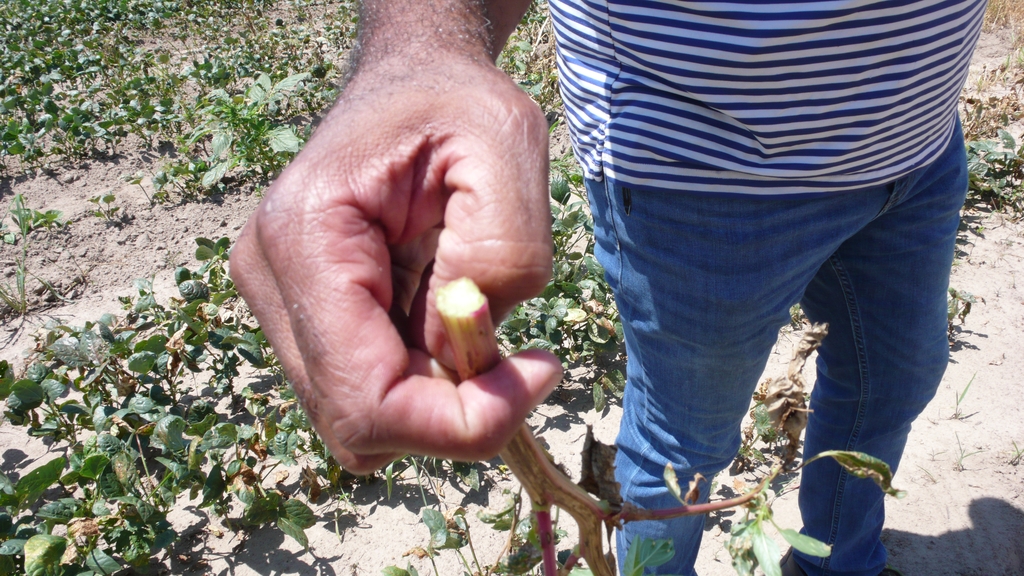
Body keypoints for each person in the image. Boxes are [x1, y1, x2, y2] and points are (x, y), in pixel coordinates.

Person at [230, 1, 985, 574]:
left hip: (918, 144)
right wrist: (418, 46)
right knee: (683, 447)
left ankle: (839, 562)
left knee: (895, 378)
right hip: (699, 178)